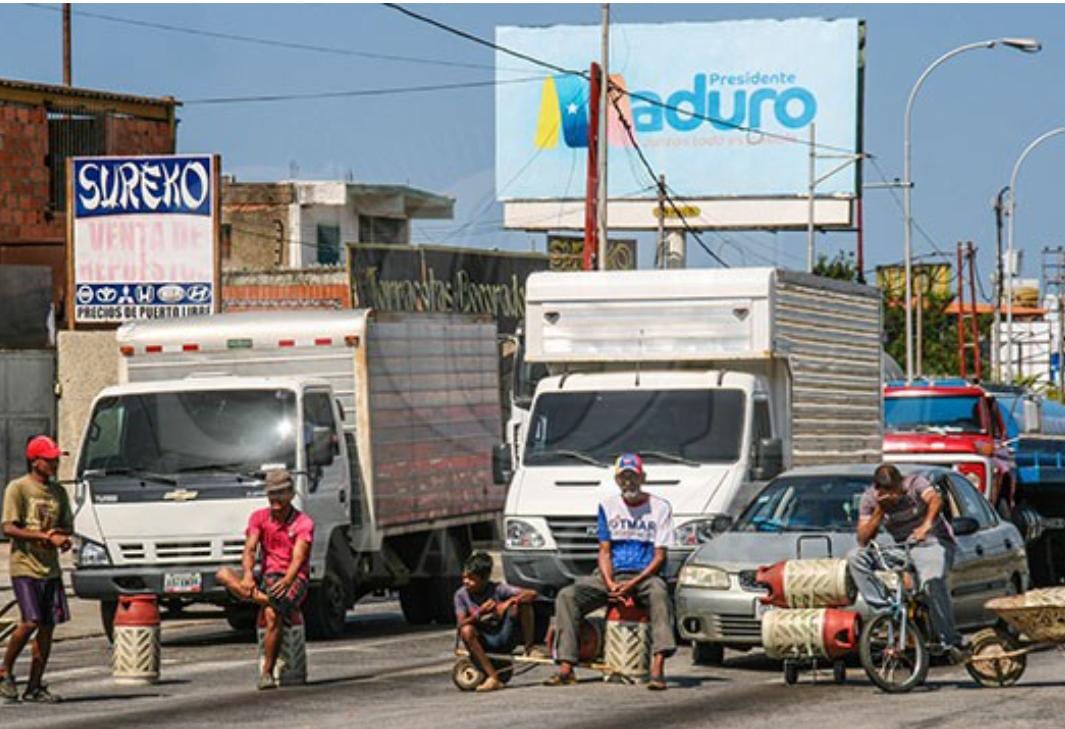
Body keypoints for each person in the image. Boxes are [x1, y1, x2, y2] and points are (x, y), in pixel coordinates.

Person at [545, 453, 675, 691]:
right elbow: (604, 551)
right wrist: (610, 582)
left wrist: (634, 582)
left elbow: (660, 556)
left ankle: (658, 667)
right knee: (567, 596)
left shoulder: (660, 507)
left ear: (642, 477)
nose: (628, 482)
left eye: (633, 476)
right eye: (623, 477)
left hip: (645, 575)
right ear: (617, 480)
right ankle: (566, 666)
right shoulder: (608, 506)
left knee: (659, 594)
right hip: (611, 575)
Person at [847, 463, 967, 661]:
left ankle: (949, 639)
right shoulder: (871, 499)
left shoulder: (915, 483)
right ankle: (884, 613)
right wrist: (879, 511)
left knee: (932, 582)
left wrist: (925, 526)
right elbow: (863, 539)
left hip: (931, 543)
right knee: (856, 557)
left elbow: (935, 500)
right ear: (878, 489)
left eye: (896, 491)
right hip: (903, 548)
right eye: (888, 493)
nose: (895, 497)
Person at [216, 469, 314, 690]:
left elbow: (299, 557)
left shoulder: (303, 522)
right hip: (267, 576)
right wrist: (248, 575)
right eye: (272, 494)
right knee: (223, 574)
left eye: (280, 494)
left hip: (292, 577)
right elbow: (250, 548)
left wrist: (288, 580)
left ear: (290, 494)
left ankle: (267, 672)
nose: (275, 500)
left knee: (272, 614)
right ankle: (269, 600)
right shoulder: (259, 517)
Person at [0, 435, 73, 704]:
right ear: (35, 461)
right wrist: (43, 537)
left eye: (56, 459)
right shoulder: (18, 488)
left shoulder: (58, 492)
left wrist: (61, 537)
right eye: (50, 459)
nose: (55, 463)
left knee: (47, 626)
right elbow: (8, 527)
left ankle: (35, 685)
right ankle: (4, 669)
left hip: (50, 570)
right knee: (30, 620)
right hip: (25, 567)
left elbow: (66, 525)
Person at [453, 551, 538, 693]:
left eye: (471, 579)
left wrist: (508, 603)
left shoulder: (498, 589)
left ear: (484, 579)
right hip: (485, 641)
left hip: (505, 636)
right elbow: (460, 624)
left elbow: (532, 594)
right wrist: (480, 612)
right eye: (464, 578)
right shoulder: (461, 595)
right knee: (466, 630)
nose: (466, 582)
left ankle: (529, 648)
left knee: (522, 604)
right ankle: (493, 678)